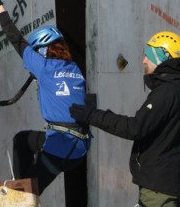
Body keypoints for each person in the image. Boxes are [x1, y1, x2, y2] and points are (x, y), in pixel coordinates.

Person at [0, 0, 91, 196]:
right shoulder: (76, 69)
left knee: (27, 195)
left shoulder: (44, 68)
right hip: (78, 147)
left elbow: (16, 40)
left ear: (43, 49)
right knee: (23, 141)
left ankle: (22, 192)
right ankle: (25, 186)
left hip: (60, 147)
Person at [70, 31, 180, 207]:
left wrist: (91, 115)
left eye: (148, 55)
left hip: (159, 190)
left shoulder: (166, 92)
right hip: (167, 185)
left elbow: (134, 127)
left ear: (163, 56)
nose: (144, 61)